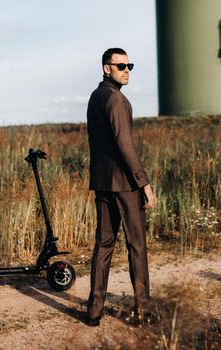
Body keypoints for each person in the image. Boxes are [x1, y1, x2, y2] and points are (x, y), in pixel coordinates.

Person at [86, 48, 154, 327]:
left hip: (102, 183)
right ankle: (145, 312)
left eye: (129, 65)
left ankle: (94, 311)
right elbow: (124, 144)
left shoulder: (95, 96)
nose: (126, 70)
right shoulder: (116, 99)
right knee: (136, 245)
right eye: (121, 65)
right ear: (106, 68)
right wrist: (144, 182)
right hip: (124, 185)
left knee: (103, 245)